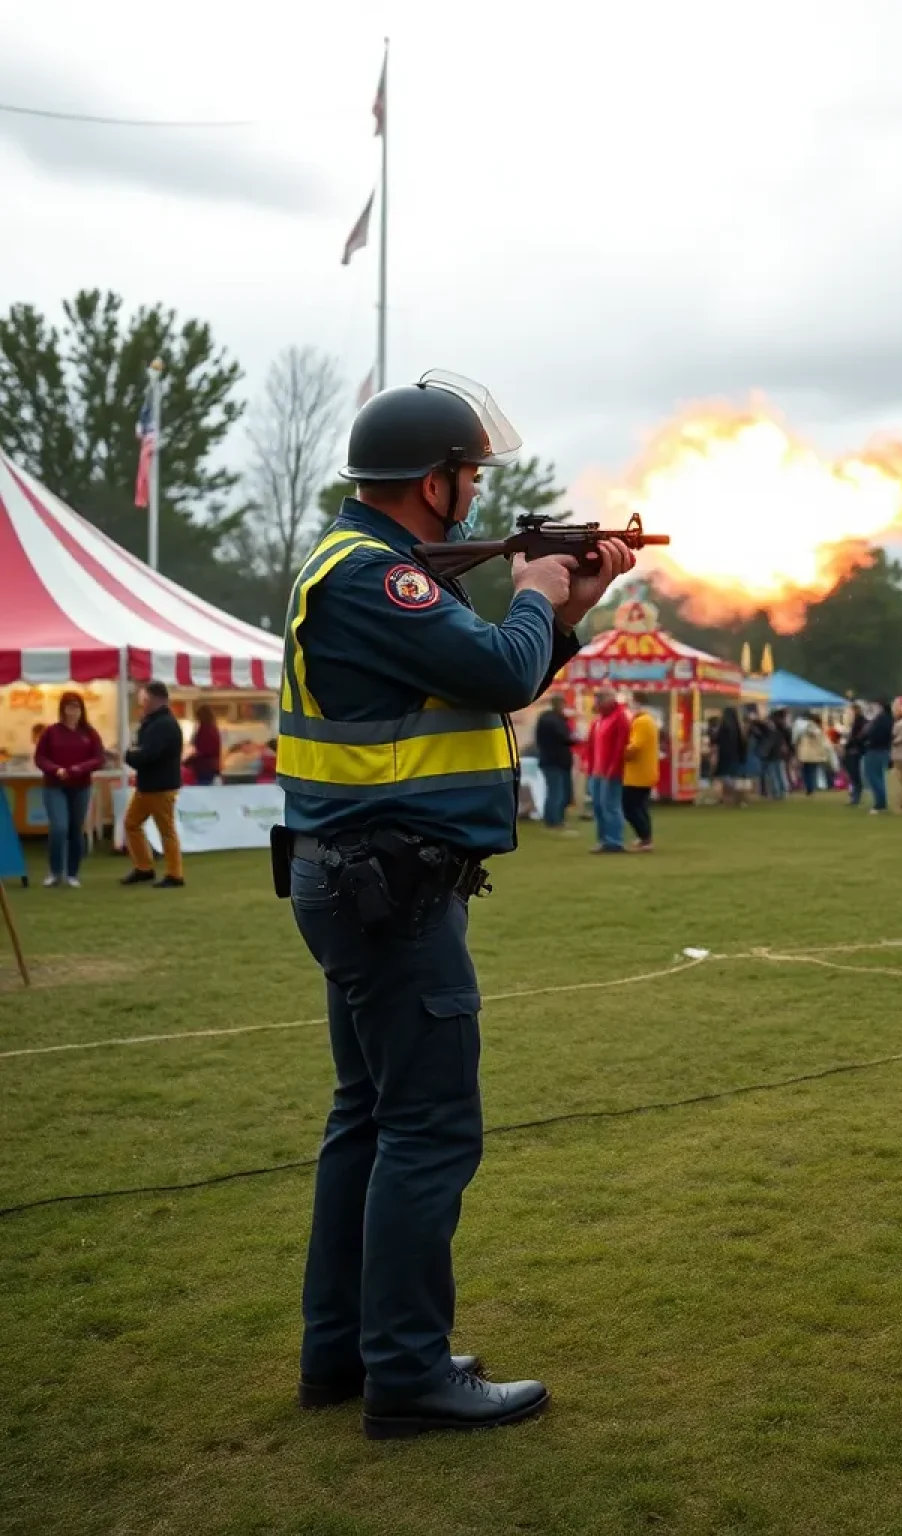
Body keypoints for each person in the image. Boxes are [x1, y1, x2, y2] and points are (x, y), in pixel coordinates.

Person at [274, 372, 633, 1438]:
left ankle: (349, 1354)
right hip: (390, 887)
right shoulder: (374, 578)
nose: (474, 486)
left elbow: (489, 679)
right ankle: (408, 1373)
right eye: (468, 470)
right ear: (433, 483)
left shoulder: (367, 567)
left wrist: (564, 612)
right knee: (428, 1131)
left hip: (369, 880)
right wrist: (536, 591)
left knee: (370, 1124)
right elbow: (490, 668)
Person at [34, 691, 105, 888]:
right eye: (69, 707)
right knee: (59, 827)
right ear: (62, 709)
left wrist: (78, 769)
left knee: (75, 829)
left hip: (80, 786)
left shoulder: (89, 733)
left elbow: (99, 759)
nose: (73, 712)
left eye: (76, 707)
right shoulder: (51, 732)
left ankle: (72, 873)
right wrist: (55, 769)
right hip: (54, 786)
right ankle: (55, 872)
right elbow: (40, 758)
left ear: (82, 710)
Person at [121, 681, 187, 889]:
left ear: (156, 700)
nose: (142, 703)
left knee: (166, 830)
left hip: (160, 786)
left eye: (145, 699)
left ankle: (174, 874)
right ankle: (144, 867)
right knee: (131, 823)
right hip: (149, 785)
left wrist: (127, 756)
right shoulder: (154, 722)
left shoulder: (163, 725)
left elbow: (148, 755)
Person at [588, 689, 631, 851]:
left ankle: (614, 841)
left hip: (610, 771)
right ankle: (603, 839)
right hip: (596, 771)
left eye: (600, 699)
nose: (597, 703)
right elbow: (591, 746)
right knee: (598, 807)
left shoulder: (619, 718)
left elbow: (621, 746)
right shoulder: (598, 720)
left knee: (610, 806)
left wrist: (613, 769)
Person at [622, 705, 660, 850]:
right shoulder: (649, 721)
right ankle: (645, 837)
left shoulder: (641, 723)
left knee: (630, 807)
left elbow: (635, 747)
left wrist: (620, 754)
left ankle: (645, 838)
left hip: (636, 774)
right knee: (641, 807)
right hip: (647, 772)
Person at [534, 694, 575, 831]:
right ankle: (554, 821)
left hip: (553, 760)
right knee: (557, 792)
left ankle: (553, 819)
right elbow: (564, 737)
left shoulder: (546, 718)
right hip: (555, 761)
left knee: (556, 791)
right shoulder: (552, 720)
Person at [862, 699, 893, 812]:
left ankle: (880, 803)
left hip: (875, 750)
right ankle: (881, 802)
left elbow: (874, 735)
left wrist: (867, 739)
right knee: (879, 777)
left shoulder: (881, 720)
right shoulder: (888, 719)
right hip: (883, 750)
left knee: (873, 777)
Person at [714, 705, 747, 806]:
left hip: (724, 755)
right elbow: (742, 743)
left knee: (724, 777)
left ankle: (736, 796)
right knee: (731, 777)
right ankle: (728, 799)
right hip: (735, 756)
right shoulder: (738, 728)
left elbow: (716, 740)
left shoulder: (723, 727)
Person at [185, 704, 223, 786]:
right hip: (211, 767)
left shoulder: (204, 730)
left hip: (204, 767)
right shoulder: (213, 729)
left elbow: (202, 750)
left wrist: (189, 760)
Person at [795, 712, 831, 793]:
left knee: (807, 771)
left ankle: (810, 788)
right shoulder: (817, 728)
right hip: (813, 754)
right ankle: (810, 788)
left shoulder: (810, 727)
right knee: (811, 771)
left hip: (807, 754)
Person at [843, 706, 869, 806]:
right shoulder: (857, 722)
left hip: (855, 751)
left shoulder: (859, 723)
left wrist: (849, 743)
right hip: (854, 750)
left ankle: (855, 797)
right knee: (854, 776)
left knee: (855, 776)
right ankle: (854, 796)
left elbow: (859, 737)